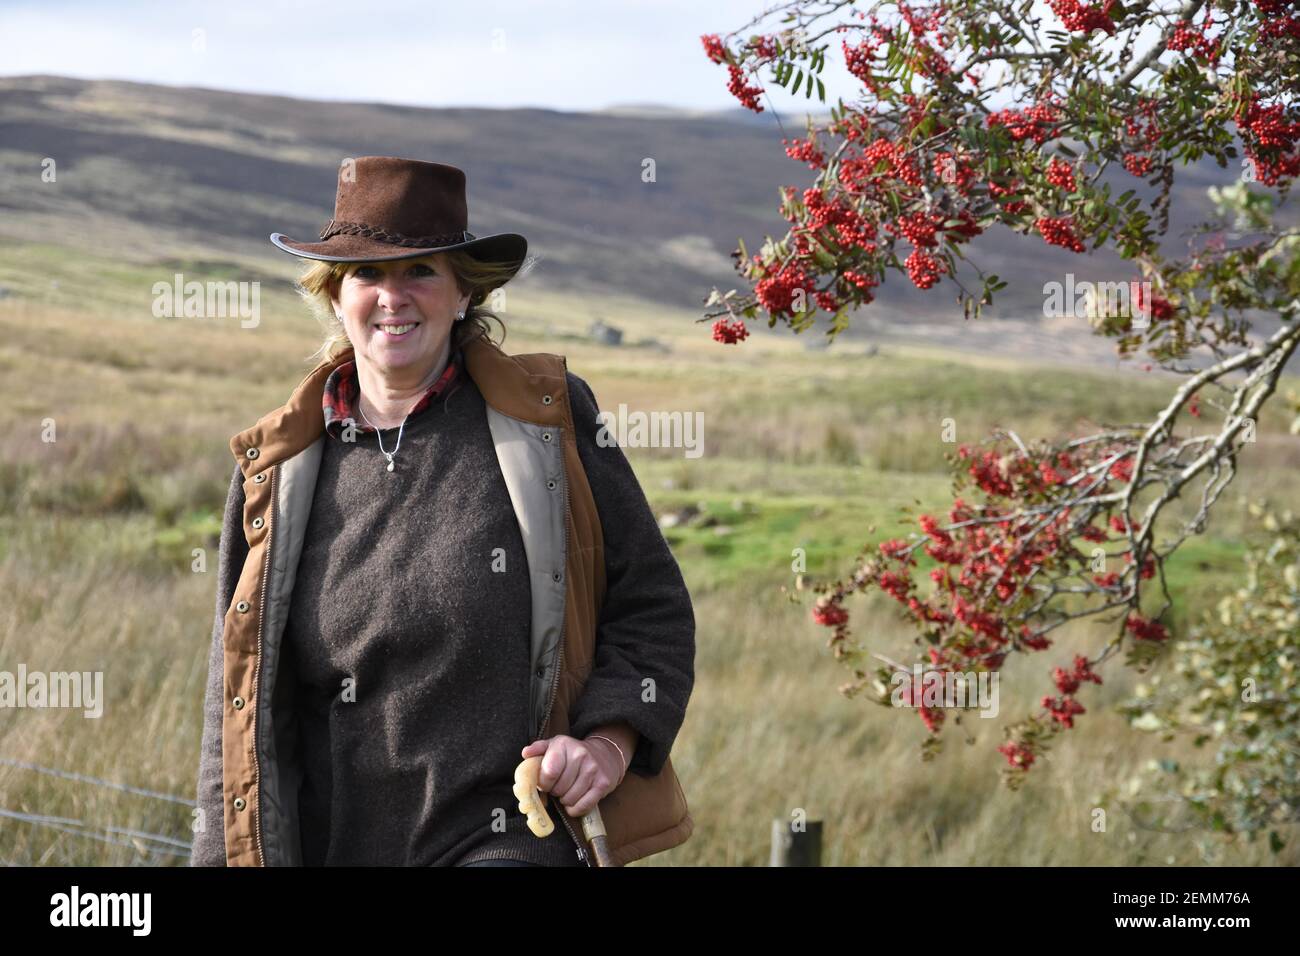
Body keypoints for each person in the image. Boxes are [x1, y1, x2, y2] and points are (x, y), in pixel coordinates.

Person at [189, 157, 695, 866]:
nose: (394, 297)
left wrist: (608, 744)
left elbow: (651, 606)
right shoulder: (276, 468)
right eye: (368, 275)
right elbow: (232, 698)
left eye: (421, 271)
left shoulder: (546, 424)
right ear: (335, 297)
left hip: (506, 838)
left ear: (464, 293)